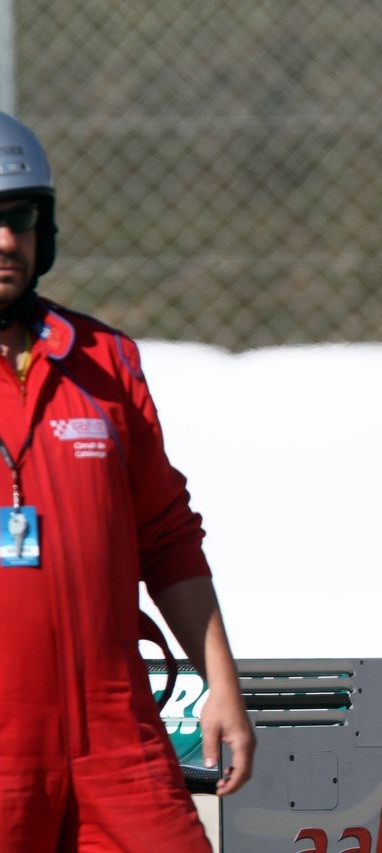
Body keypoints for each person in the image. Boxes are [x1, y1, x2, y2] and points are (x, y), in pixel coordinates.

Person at [0, 112, 254, 849]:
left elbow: (168, 536)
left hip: (117, 728)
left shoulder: (105, 363)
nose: (4, 240)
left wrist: (222, 684)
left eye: (19, 218)